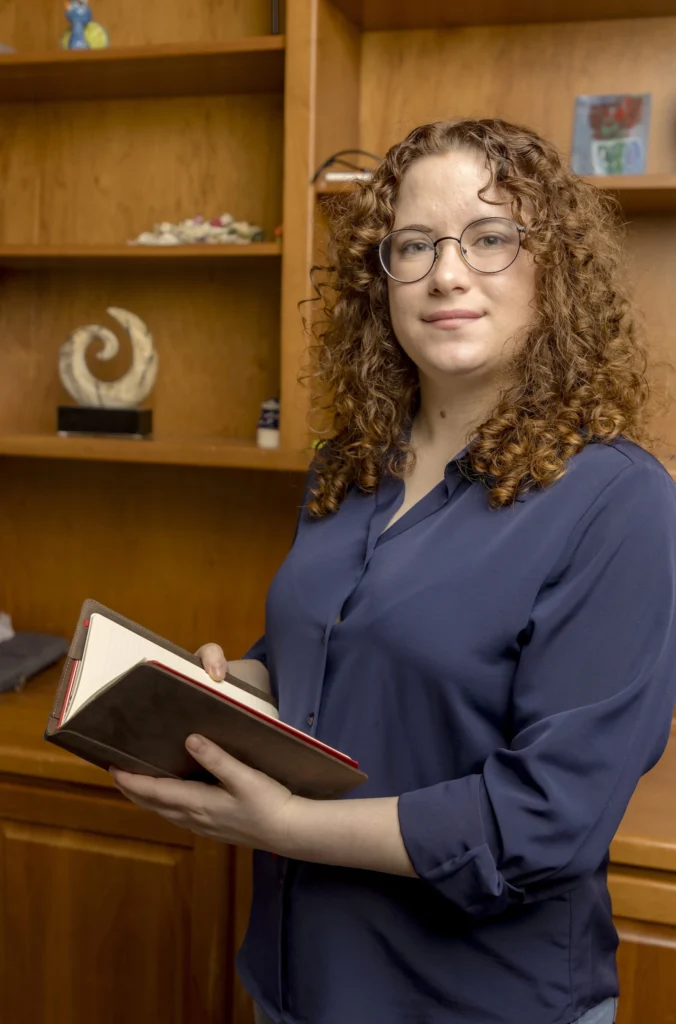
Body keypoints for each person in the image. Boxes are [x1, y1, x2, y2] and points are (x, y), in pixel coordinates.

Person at [110, 118, 676, 1024]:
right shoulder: (348, 462)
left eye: (490, 238)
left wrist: (283, 829)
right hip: (296, 985)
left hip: (475, 1002)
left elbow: (544, 820)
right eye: (414, 246)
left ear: (553, 271)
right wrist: (240, 683)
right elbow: (330, 650)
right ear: (383, 283)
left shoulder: (620, 503)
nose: (447, 273)